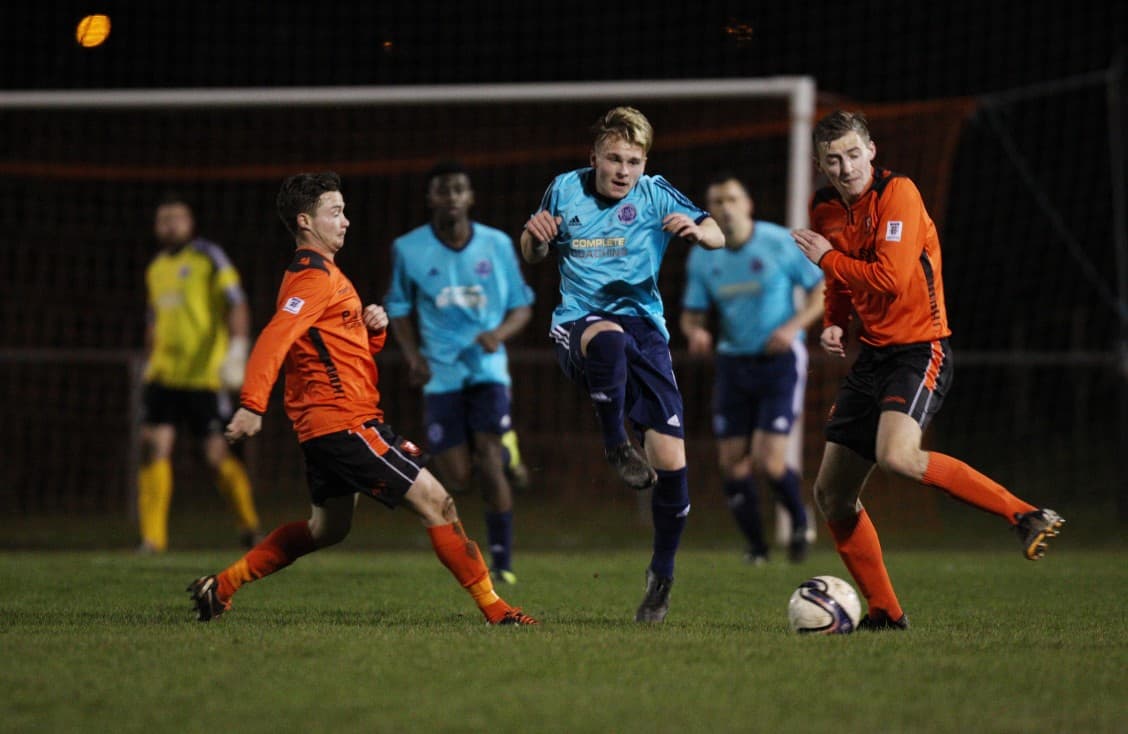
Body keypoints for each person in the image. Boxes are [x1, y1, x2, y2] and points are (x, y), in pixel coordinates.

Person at [187, 171, 537, 626]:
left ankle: (223, 585)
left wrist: (372, 331)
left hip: (328, 426)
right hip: (344, 423)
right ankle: (498, 610)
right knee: (439, 502)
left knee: (327, 528)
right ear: (305, 222)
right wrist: (253, 405)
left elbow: (333, 352)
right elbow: (276, 337)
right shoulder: (311, 277)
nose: (346, 221)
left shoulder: (325, 274)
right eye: (335, 212)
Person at [790, 110, 1064, 631]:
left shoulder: (900, 195)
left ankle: (1026, 515)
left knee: (897, 456)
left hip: (920, 349)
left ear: (870, 150)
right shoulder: (825, 208)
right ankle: (886, 614)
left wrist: (825, 259)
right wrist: (834, 321)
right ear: (820, 165)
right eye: (833, 159)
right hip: (871, 356)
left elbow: (890, 280)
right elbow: (846, 278)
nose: (846, 167)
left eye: (853, 154)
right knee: (831, 494)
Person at [520, 106, 725, 622]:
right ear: (594, 157)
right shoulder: (564, 189)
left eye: (632, 161)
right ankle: (615, 443)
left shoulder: (655, 193)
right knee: (608, 338)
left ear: (644, 162)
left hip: (646, 333)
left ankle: (662, 576)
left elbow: (717, 231)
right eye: (613, 158)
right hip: (580, 325)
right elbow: (532, 250)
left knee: (674, 468)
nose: (622, 171)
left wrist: (701, 234)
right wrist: (535, 237)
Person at [384, 160, 534, 585]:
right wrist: (413, 356)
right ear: (431, 198)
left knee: (487, 461)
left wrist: (498, 333)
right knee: (457, 477)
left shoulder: (497, 244)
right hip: (441, 375)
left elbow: (523, 305)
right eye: (443, 190)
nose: (451, 197)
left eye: (459, 189)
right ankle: (510, 449)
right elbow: (397, 308)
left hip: (487, 369)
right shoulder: (408, 249)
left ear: (470, 197)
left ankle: (502, 563)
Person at [680, 173, 825, 565]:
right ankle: (756, 548)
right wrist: (695, 333)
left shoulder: (778, 242)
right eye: (716, 200)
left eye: (731, 198)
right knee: (731, 463)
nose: (724, 207)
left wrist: (793, 326)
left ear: (748, 205)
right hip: (733, 363)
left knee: (768, 461)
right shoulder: (702, 254)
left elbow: (821, 289)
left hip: (780, 360)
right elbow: (691, 315)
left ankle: (799, 521)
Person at [137, 193, 261, 553]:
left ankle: (250, 526)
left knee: (216, 456)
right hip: (163, 376)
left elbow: (236, 302)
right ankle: (152, 539)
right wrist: (149, 359)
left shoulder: (208, 256)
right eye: (164, 218)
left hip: (204, 377)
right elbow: (153, 321)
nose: (170, 224)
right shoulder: (155, 268)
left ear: (190, 222)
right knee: (152, 449)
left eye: (177, 217)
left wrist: (238, 349)